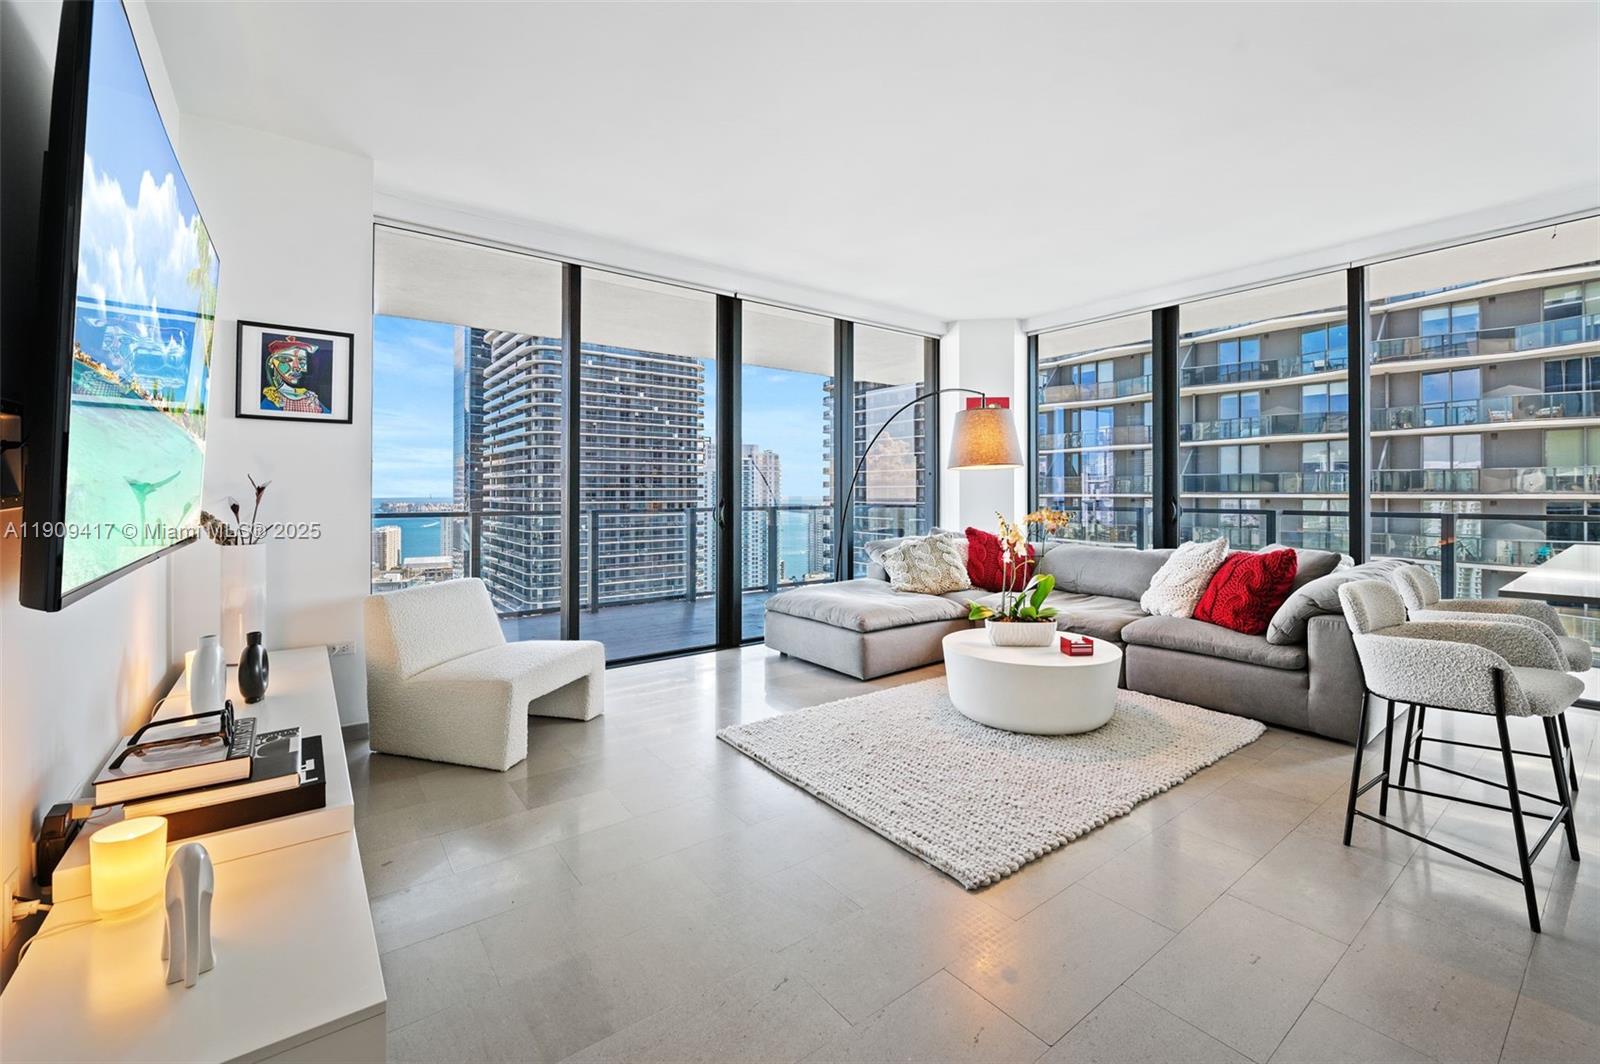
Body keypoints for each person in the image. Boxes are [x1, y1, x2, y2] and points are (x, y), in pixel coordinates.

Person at [261, 336, 326, 414]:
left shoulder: (312, 398)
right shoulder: (272, 399)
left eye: (301, 360)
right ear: (272, 363)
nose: (296, 367)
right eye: (286, 359)